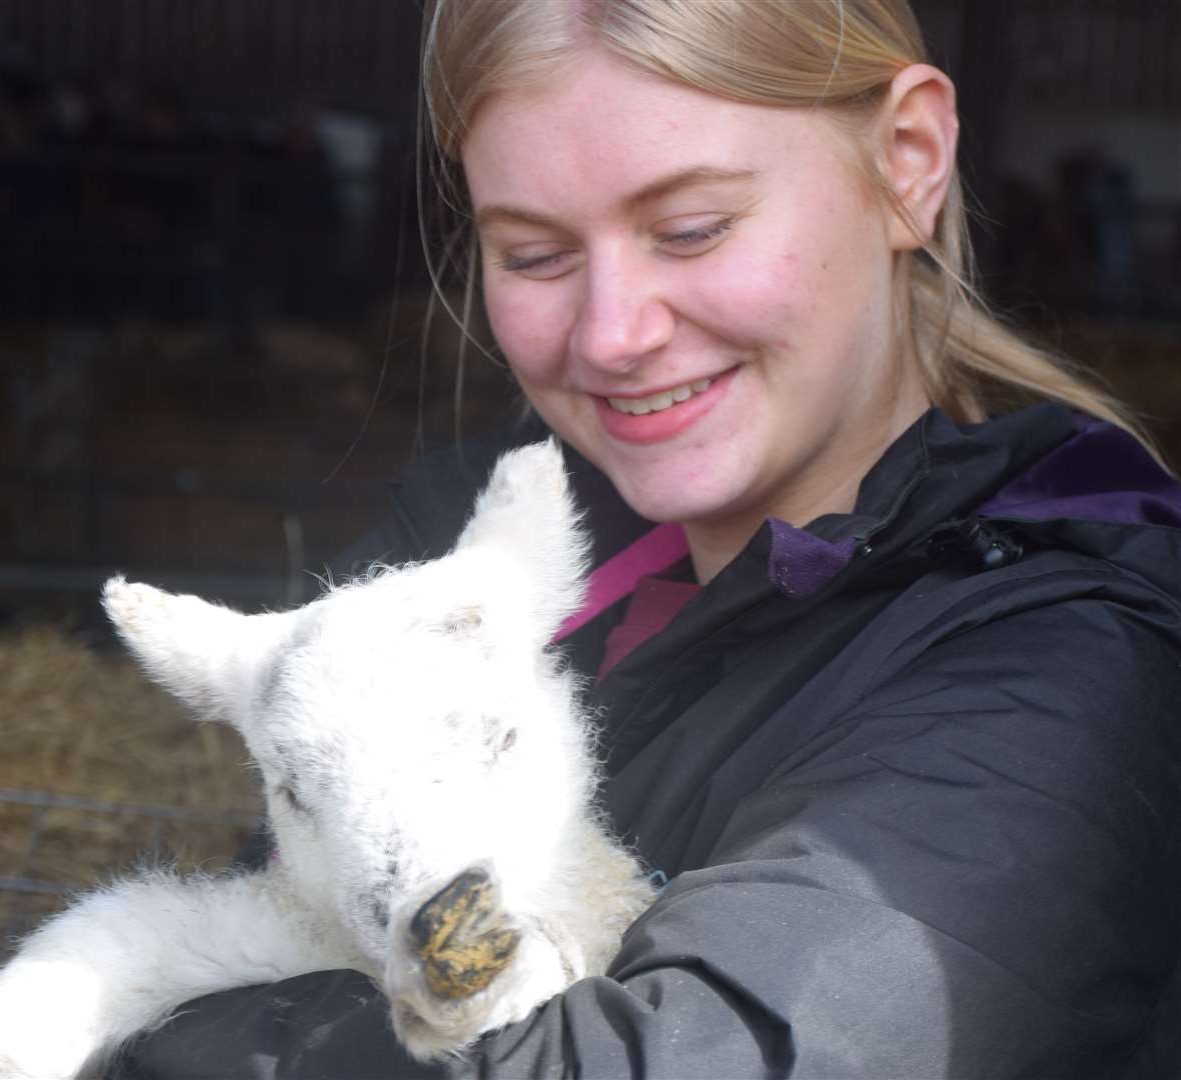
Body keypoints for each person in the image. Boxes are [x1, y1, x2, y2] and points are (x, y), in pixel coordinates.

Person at [115, 1, 1181, 1076]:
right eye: (534, 254)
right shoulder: (464, 558)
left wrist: (135, 1027)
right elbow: (290, 913)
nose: (614, 333)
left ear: (907, 162)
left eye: (692, 229)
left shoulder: (1059, 668)